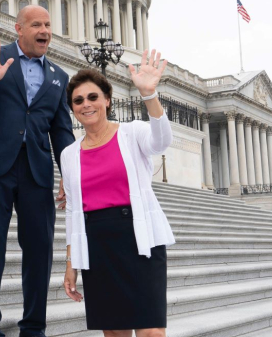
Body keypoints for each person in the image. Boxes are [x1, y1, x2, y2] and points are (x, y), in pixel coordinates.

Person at [0, 5, 76, 337]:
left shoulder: (60, 76)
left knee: (40, 250)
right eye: (36, 24)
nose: (44, 30)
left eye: (48, 24)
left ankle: (34, 327)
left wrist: (69, 176)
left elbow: (62, 131)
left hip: (37, 172)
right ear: (19, 28)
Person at [61, 52, 175, 337]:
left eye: (93, 97)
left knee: (152, 332)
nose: (86, 104)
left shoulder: (132, 133)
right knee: (114, 334)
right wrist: (71, 264)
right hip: (98, 245)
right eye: (78, 100)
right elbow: (73, 211)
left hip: (140, 240)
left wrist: (149, 94)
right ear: (72, 108)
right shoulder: (69, 154)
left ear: (107, 100)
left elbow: (162, 142)